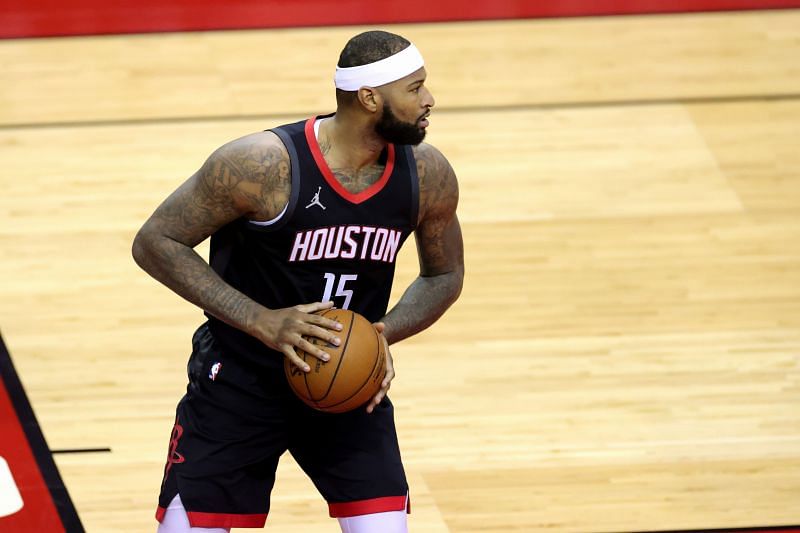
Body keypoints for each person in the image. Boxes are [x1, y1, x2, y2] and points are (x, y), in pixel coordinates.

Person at [132, 29, 464, 533]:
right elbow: (156, 242)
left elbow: (445, 275)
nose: (429, 100)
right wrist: (260, 320)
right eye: (415, 88)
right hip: (240, 380)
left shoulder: (426, 173)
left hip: (348, 384)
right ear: (371, 98)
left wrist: (380, 334)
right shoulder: (262, 165)